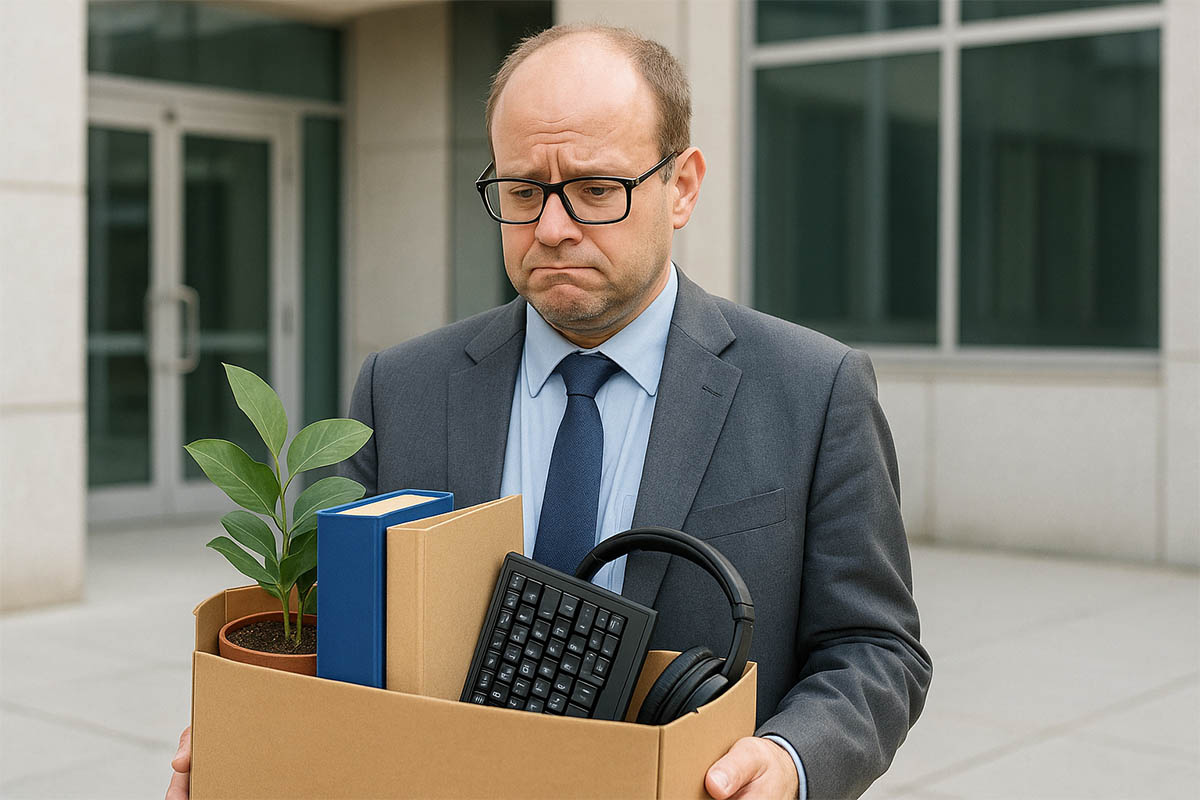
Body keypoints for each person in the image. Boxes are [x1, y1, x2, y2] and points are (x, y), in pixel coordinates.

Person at [168, 23, 930, 800]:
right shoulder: (401, 387)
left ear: (684, 186)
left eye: (598, 189)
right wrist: (251, 730)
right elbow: (325, 627)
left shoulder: (814, 388)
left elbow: (876, 647)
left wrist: (790, 763)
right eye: (523, 190)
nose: (552, 228)